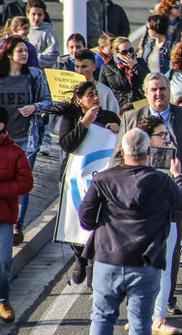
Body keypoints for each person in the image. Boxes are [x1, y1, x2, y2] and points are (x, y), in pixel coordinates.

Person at [79, 128, 182, 335]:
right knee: (140, 322)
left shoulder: (103, 179)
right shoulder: (162, 180)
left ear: (122, 152)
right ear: (148, 152)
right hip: (145, 261)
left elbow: (86, 220)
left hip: (108, 258)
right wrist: (178, 176)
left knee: (101, 317)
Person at [119, 72, 182, 309]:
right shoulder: (132, 117)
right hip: (142, 198)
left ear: (170, 91)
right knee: (141, 250)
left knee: (172, 249)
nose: (159, 93)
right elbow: (119, 157)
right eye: (154, 90)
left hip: (178, 193)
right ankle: (140, 301)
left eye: (163, 89)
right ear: (146, 93)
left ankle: (167, 299)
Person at [55, 81, 121, 284]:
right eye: (90, 95)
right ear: (79, 100)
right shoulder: (72, 117)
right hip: (75, 178)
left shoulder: (109, 116)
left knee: (99, 222)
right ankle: (80, 257)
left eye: (96, 94)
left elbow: (120, 145)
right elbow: (67, 144)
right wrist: (84, 123)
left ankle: (93, 267)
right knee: (77, 218)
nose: (95, 98)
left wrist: (118, 129)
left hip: (101, 177)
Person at [0, 36, 50, 243]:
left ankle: (16, 225)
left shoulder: (34, 75)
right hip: (4, 140)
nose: (25, 54)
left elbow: (49, 101)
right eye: (20, 51)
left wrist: (35, 107)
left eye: (26, 51)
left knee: (21, 181)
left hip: (27, 139)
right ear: (10, 54)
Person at [0, 107, 33, 323]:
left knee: (3, 260)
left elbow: (26, 183)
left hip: (4, 216)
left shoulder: (16, 152)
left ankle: (2, 299)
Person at [99, 37, 148, 112]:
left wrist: (136, 66)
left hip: (141, 104)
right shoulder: (107, 68)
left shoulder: (140, 62)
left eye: (131, 50)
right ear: (116, 53)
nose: (129, 54)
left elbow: (150, 81)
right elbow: (102, 91)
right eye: (124, 52)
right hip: (120, 108)